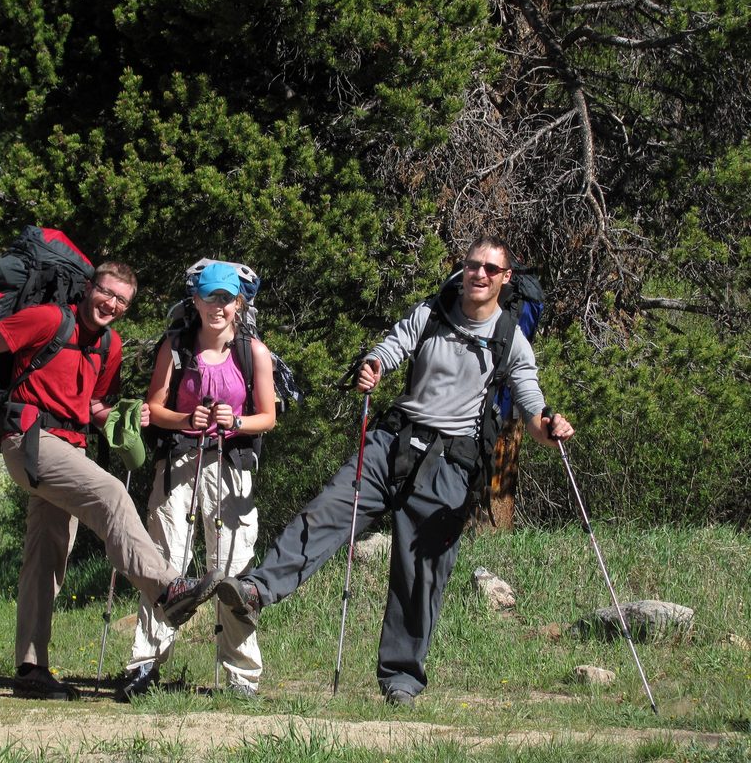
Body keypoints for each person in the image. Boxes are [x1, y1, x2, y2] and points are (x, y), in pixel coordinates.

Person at [213, 237, 575, 705]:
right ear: (462, 269)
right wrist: (374, 365)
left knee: (421, 570)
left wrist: (549, 425)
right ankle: (257, 590)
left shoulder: (510, 339)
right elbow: (393, 345)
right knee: (326, 512)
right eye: (472, 265)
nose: (479, 274)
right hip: (393, 443)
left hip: (450, 464)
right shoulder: (432, 313)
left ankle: (401, 678)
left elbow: (529, 404)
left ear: (505, 278)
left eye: (490, 268)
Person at [0, 259, 223, 700]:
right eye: (106, 293)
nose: (111, 304)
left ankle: (30, 670)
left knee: (46, 555)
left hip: (68, 448)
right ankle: (166, 589)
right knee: (110, 492)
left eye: (121, 300)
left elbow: (91, 406)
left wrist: (128, 415)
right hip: (30, 441)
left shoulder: (110, 345)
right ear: (89, 288)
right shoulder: (49, 318)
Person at [120, 263, 277, 700]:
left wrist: (237, 420)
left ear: (239, 303)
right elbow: (155, 407)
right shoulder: (175, 348)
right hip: (180, 463)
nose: (218, 307)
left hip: (232, 470)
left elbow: (268, 417)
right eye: (210, 298)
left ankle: (241, 676)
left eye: (226, 299)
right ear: (195, 301)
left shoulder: (254, 353)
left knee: (233, 569)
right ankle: (145, 665)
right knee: (165, 560)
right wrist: (188, 419)